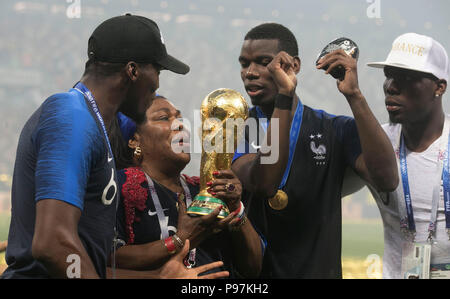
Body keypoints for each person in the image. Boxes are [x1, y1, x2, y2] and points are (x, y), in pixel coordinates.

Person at [1, 14, 228, 279]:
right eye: (157, 71)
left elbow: (91, 259)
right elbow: (53, 244)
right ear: (132, 71)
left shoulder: (90, 123)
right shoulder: (71, 115)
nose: (157, 85)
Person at [231, 23, 399, 278]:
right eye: (244, 64)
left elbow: (387, 179)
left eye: (264, 62)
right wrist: (284, 97)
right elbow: (264, 183)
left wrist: (354, 95)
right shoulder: (232, 130)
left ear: (293, 65)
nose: (250, 73)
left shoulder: (334, 129)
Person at [113, 95, 264, 278]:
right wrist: (180, 239)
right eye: (164, 118)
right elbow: (109, 258)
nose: (180, 124)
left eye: (180, 118)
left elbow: (253, 267)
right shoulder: (119, 186)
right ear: (134, 140)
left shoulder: (204, 190)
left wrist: (236, 209)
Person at [364, 33, 449, 278]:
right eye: (389, 74)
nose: (391, 85)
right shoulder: (374, 141)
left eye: (407, 77)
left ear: (439, 87)